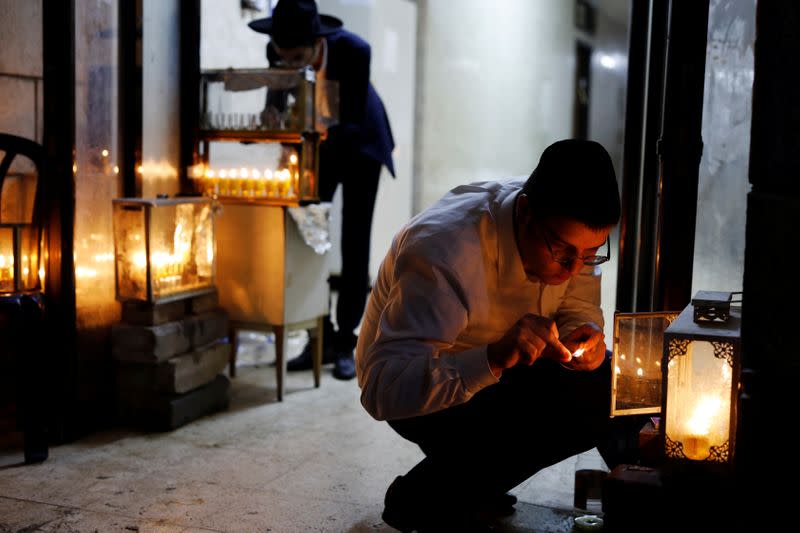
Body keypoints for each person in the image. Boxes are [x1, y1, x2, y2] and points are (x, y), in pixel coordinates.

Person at [356, 139, 645, 530]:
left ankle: (641, 495)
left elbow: (578, 307)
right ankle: (422, 497)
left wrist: (585, 334)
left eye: (591, 253)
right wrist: (491, 357)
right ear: (525, 213)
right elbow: (383, 390)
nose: (575, 266)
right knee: (565, 411)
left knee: (608, 386)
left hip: (505, 379)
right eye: (563, 253)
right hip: (422, 397)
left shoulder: (571, 238)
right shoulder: (446, 251)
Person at [248, 0, 395, 381]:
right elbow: (278, 95)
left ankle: (346, 340)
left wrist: (308, 139)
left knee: (354, 238)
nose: (292, 64)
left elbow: (353, 119)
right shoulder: (278, 51)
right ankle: (320, 335)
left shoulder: (354, 50)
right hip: (318, 143)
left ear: (317, 43)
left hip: (360, 142)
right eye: (284, 57)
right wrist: (273, 122)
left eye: (298, 57)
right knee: (310, 235)